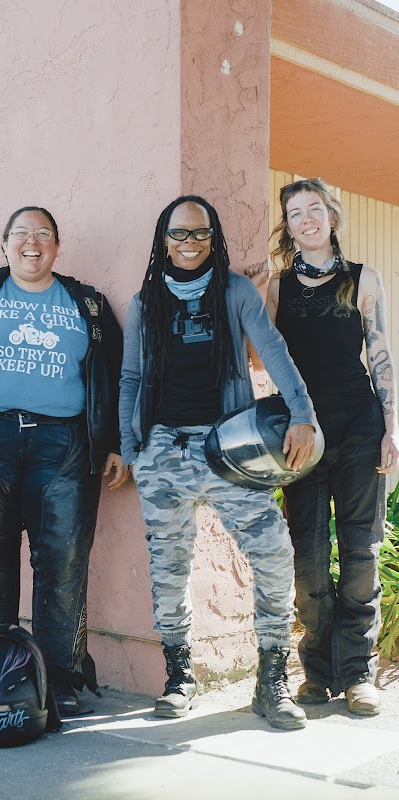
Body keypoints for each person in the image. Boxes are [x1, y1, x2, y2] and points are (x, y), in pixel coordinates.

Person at [0, 205, 127, 716]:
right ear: (4, 244)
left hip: (65, 445)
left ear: (57, 246)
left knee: (63, 561)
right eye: (21, 234)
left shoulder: (88, 304)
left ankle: (58, 679)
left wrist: (116, 442)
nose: (32, 243)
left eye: (44, 234)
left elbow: (119, 374)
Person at [120, 195, 317, 730]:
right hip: (163, 450)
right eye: (179, 235)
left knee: (273, 553)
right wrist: (133, 450)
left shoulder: (234, 291)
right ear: (164, 240)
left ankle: (271, 679)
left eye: (200, 234)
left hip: (231, 447)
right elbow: (131, 378)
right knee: (169, 567)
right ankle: (179, 676)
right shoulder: (145, 302)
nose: (190, 244)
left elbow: (272, 348)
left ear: (214, 238)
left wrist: (303, 414)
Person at [259, 178, 399, 715]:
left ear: (331, 216)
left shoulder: (364, 279)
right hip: (302, 433)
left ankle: (358, 673)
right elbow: (259, 358)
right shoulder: (276, 287)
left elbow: (381, 357)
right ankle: (317, 671)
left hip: (360, 428)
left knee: (360, 550)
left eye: (314, 209)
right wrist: (248, 296)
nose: (307, 220)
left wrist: (390, 429)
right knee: (309, 555)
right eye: (295, 214)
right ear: (288, 226)